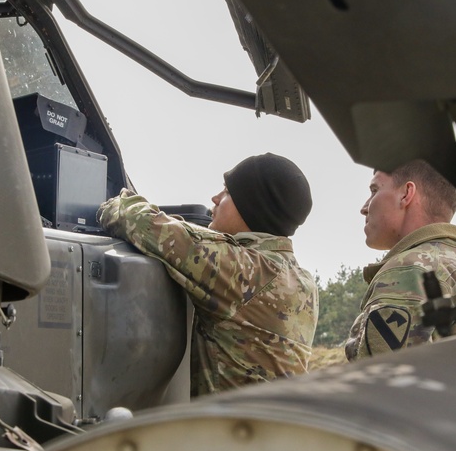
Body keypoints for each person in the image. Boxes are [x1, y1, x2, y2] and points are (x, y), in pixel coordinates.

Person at [97, 153, 318, 396]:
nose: (215, 198)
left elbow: (137, 220)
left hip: (231, 431)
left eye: (228, 192)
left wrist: (113, 201)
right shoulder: (302, 281)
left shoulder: (243, 271)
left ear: (252, 207)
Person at [344, 159, 456, 360]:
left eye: (374, 190)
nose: (364, 207)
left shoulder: (406, 271)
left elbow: (385, 382)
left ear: (406, 194)